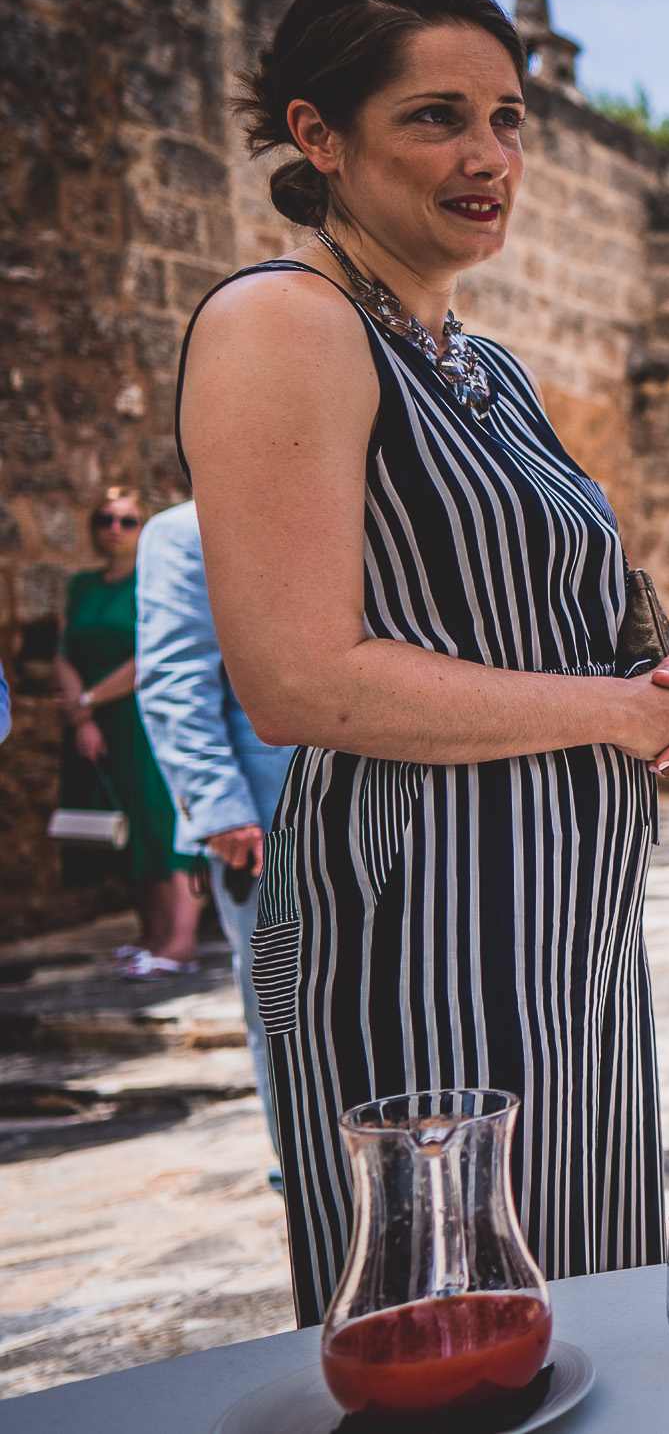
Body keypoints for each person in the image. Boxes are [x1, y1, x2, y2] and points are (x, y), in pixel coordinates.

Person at [176, 0, 669, 1326]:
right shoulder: (282, 325)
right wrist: (615, 716)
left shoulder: (487, 368)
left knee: (589, 1302)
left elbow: (607, 625)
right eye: (438, 117)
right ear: (319, 136)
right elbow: (297, 676)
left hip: (569, 932)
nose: (490, 157)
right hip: (414, 921)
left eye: (507, 118)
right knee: (448, 1327)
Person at [135, 498, 295, 1184]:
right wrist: (220, 808)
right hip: (260, 827)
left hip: (381, 816)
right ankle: (304, 1172)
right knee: (284, 1007)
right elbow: (174, 680)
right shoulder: (181, 533)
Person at [53, 488, 206, 978]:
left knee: (163, 827)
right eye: (105, 519)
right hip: (95, 724)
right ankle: (151, 934)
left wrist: (88, 702)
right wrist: (82, 718)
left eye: (128, 520)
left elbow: (152, 656)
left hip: (142, 716)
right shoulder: (81, 585)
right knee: (128, 828)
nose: (114, 529)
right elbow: (62, 652)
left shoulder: (152, 581)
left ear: (145, 528)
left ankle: (180, 942)